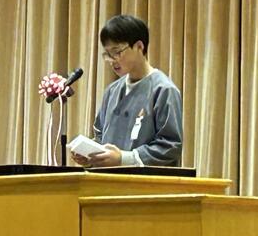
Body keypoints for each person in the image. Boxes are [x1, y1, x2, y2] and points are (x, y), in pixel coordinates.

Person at [72, 14, 182, 167]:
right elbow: (100, 136)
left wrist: (124, 159)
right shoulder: (112, 91)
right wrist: (91, 156)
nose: (112, 60)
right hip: (107, 179)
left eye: (117, 52)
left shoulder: (164, 90)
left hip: (143, 180)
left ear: (139, 46)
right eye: (108, 54)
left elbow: (170, 146)